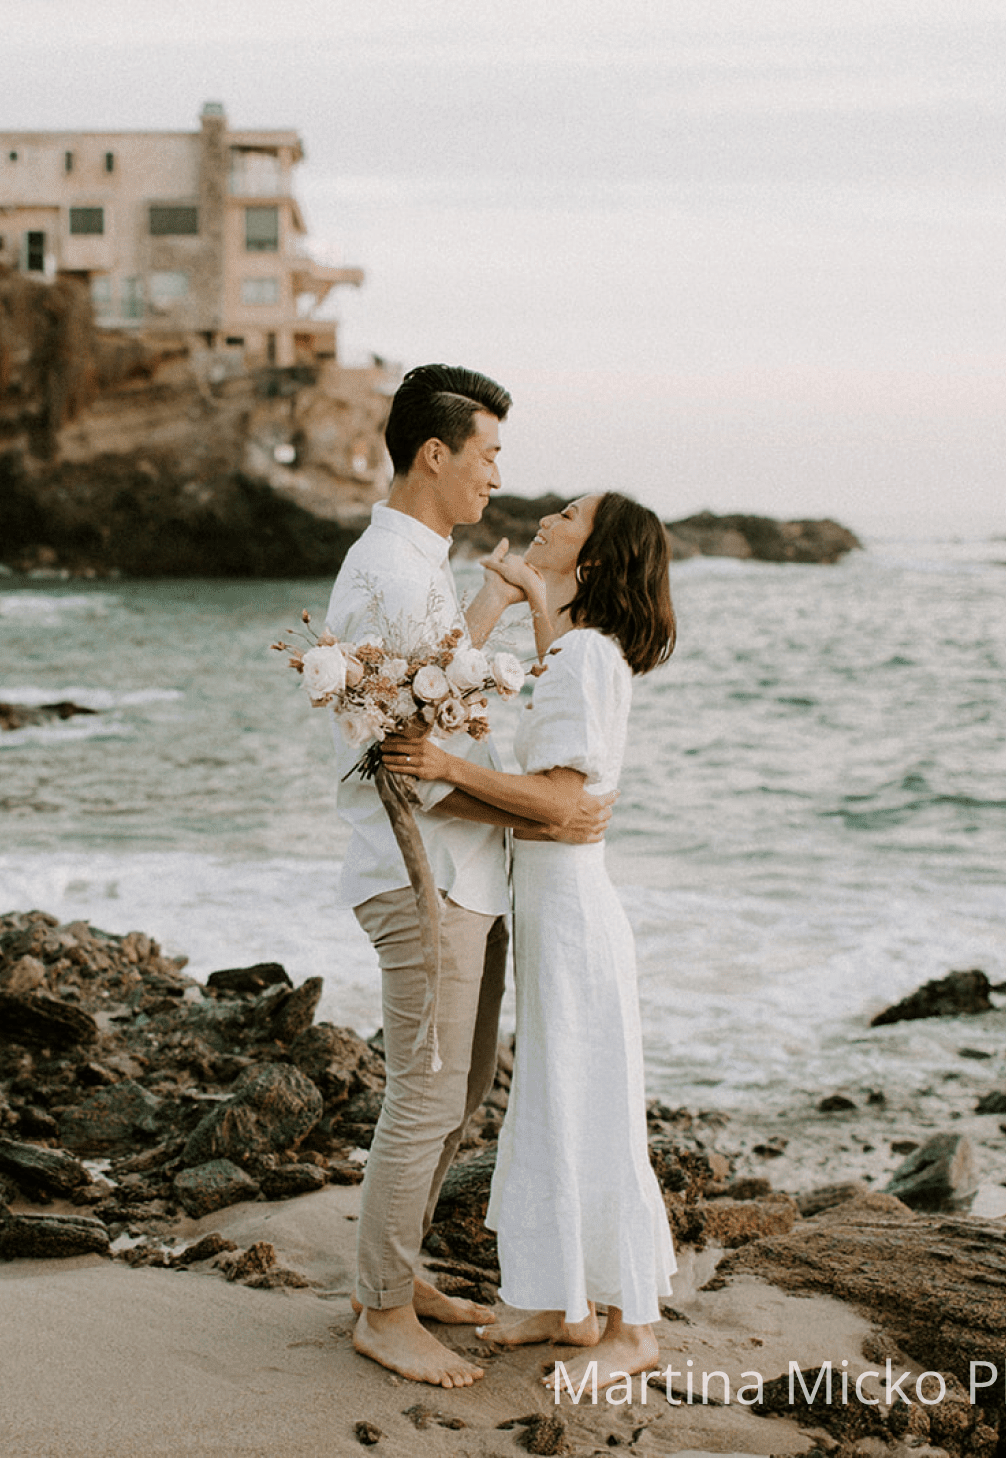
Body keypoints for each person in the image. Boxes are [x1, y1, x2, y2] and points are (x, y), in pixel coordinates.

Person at [328, 364, 614, 1389]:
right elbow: (414, 770)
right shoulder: (393, 573)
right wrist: (552, 810)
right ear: (436, 454)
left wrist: (488, 605)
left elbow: (434, 703)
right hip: (424, 877)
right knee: (424, 1093)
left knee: (460, 1091)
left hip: (464, 878)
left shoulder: (421, 568)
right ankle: (379, 1309)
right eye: (489, 454)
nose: (499, 474)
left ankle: (397, 1275)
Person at [380, 490, 679, 1390]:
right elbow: (557, 787)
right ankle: (560, 1304)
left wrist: (439, 769)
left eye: (571, 515)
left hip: (574, 923)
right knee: (552, 1100)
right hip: (553, 911)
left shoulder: (587, 655)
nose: (548, 513)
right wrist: (533, 603)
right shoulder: (578, 648)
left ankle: (633, 1327)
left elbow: (556, 800)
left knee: (592, 1105)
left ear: (594, 557)